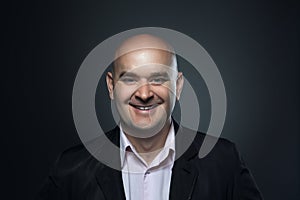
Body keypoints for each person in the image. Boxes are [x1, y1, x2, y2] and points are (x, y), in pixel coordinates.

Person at [37, 34, 263, 200]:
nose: (144, 94)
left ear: (178, 85)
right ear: (111, 86)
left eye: (157, 79)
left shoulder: (224, 162)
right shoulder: (70, 169)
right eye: (130, 79)